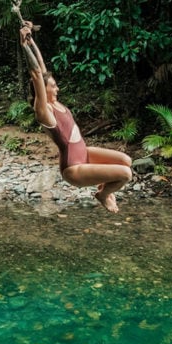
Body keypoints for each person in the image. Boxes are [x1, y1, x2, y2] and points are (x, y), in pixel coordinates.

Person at [20, 22, 133, 213]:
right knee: (125, 174)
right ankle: (103, 195)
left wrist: (31, 40)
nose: (57, 88)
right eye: (53, 86)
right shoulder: (44, 111)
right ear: (42, 90)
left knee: (126, 161)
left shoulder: (55, 102)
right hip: (73, 168)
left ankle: (103, 186)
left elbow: (41, 67)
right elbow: (36, 73)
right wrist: (23, 44)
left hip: (85, 153)